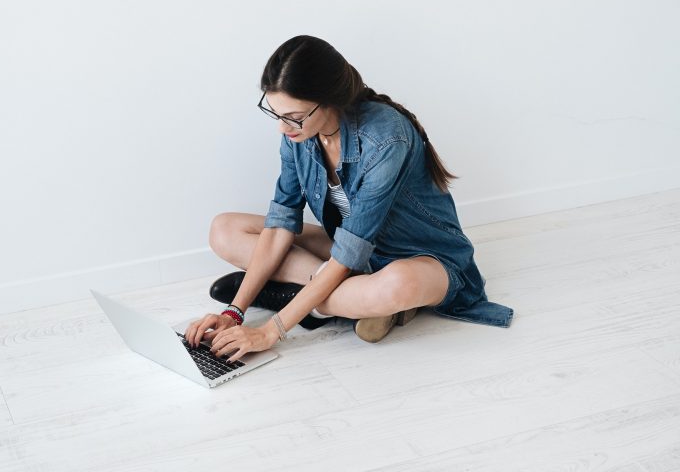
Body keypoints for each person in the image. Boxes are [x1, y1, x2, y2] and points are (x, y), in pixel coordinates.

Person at [184, 35, 513, 364]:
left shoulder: (385, 138)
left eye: (294, 116)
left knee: (398, 285)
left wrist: (270, 330)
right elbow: (280, 224)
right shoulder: (299, 134)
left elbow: (346, 255)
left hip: (421, 259)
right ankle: (342, 303)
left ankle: (305, 296)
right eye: (276, 113)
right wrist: (234, 314)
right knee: (224, 230)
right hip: (353, 254)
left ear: (327, 100)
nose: (283, 129)